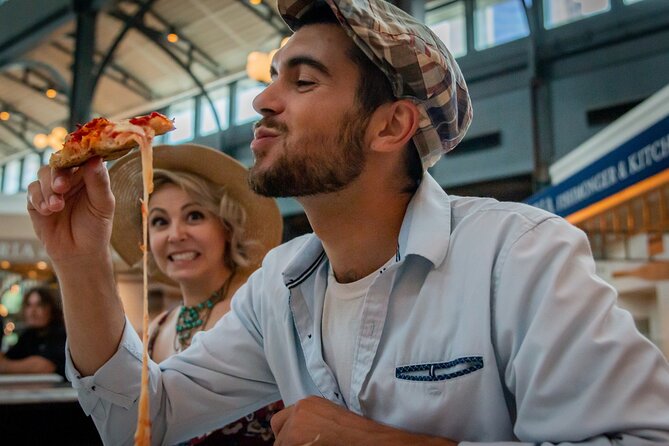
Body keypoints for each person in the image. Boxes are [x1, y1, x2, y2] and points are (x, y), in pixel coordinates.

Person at [26, 0, 669, 444]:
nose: (263, 100)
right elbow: (146, 421)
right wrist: (79, 261)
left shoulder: (519, 255)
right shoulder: (278, 287)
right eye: (273, 77)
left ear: (391, 125)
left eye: (303, 82)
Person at [108, 143, 284, 444]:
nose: (176, 235)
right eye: (160, 221)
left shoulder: (258, 312)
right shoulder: (155, 330)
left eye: (194, 216)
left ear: (227, 227)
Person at [0, 286, 66, 376]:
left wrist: (5, 367)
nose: (32, 312)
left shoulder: (59, 334)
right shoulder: (29, 335)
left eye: (39, 305)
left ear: (51, 309)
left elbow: (45, 366)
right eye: (29, 305)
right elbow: (10, 357)